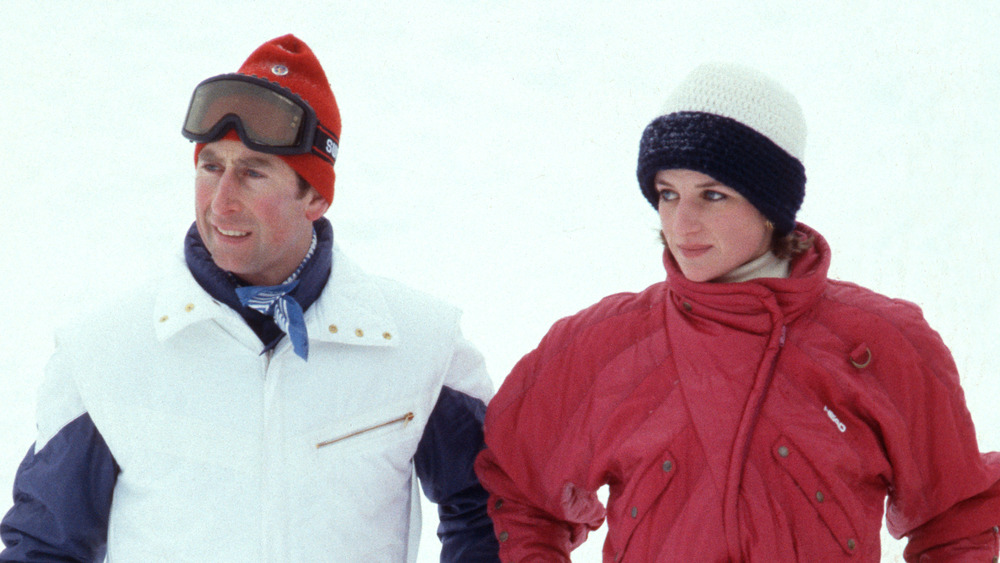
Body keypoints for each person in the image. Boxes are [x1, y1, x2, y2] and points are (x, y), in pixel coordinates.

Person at [0, 34, 499, 562]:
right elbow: (45, 547)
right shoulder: (104, 353)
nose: (221, 202)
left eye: (253, 173)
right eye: (211, 166)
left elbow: (490, 514)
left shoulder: (421, 345)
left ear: (315, 195)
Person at [474, 63, 1000, 561]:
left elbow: (955, 519)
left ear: (771, 207)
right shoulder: (603, 344)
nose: (682, 224)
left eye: (713, 195)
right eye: (667, 193)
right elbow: (520, 495)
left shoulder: (883, 343)